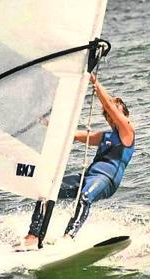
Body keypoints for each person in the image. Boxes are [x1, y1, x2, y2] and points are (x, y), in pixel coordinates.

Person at [18, 74, 135, 248]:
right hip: (88, 177)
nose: (111, 116)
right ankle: (32, 236)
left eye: (115, 113)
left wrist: (94, 82)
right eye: (109, 115)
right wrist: (44, 122)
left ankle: (68, 238)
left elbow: (110, 106)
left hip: (107, 180)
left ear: (124, 114)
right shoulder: (105, 136)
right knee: (48, 189)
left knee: (85, 196)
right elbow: (73, 134)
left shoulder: (127, 133)